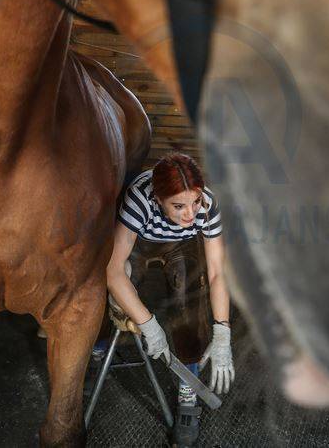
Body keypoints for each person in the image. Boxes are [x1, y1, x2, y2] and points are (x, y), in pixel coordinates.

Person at [107, 153, 234, 447]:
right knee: (115, 287)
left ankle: (188, 393)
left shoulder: (208, 205)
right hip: (139, 242)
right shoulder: (139, 199)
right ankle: (98, 352)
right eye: (179, 205)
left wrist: (223, 331)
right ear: (159, 198)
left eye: (196, 202)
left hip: (180, 244)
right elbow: (112, 270)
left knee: (188, 301)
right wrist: (148, 324)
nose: (191, 213)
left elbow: (217, 273)